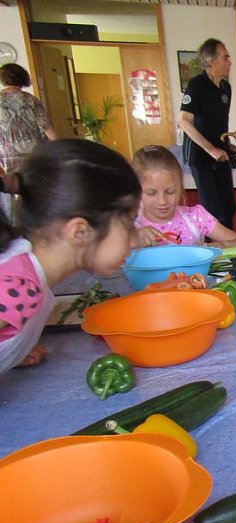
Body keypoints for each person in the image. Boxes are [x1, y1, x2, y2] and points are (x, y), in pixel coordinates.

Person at [0, 139, 140, 375]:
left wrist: (13, 352)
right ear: (80, 232)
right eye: (129, 224)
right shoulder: (20, 286)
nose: (134, 239)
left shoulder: (32, 271)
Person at [130, 144, 236, 249]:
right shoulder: (127, 223)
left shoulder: (196, 217)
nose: (162, 201)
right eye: (151, 193)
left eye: (170, 191)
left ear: (180, 186)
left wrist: (222, 245)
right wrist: (132, 240)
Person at [179, 38, 236, 230]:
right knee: (212, 209)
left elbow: (217, 124)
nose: (229, 61)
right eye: (225, 56)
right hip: (201, 156)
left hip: (220, 154)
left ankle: (230, 251)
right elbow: (184, 121)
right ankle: (213, 253)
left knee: (229, 207)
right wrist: (210, 148)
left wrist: (229, 146)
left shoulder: (226, 88)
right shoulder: (197, 85)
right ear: (211, 61)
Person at [0, 63, 57, 220]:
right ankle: (37, 223)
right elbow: (47, 128)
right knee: (34, 190)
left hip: (7, 155)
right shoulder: (32, 100)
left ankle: (15, 227)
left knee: (10, 194)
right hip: (33, 155)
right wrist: (61, 148)